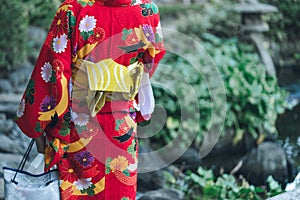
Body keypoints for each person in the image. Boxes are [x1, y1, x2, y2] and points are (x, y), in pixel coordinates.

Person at [15, 0, 165, 199]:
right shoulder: (147, 10)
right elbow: (149, 62)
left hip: (79, 124)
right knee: (118, 190)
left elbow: (54, 71)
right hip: (121, 124)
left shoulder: (73, 10)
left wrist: (37, 124)